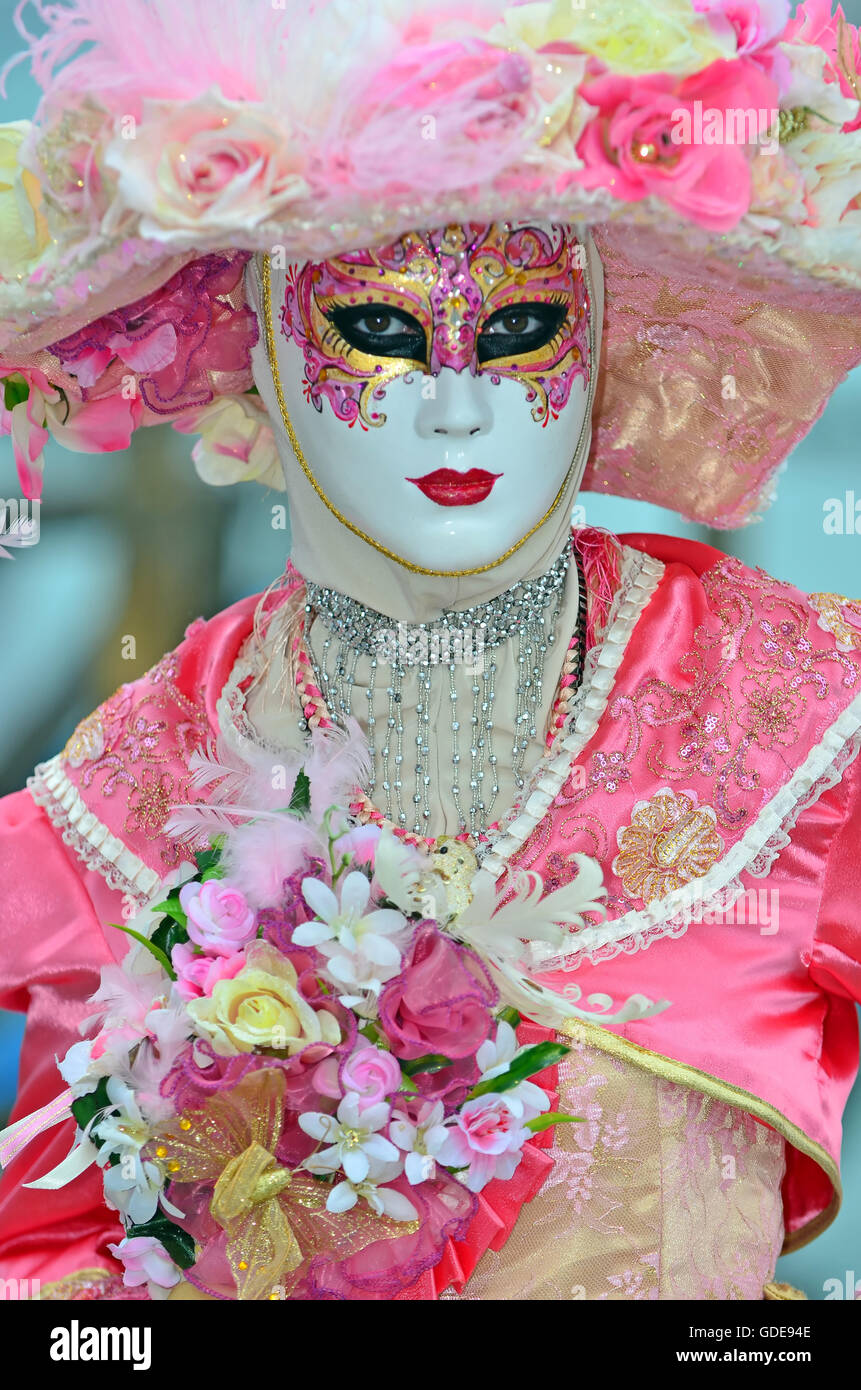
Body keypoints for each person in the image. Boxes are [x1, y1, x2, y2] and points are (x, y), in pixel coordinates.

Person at [0, 0, 860, 1301]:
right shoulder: (131, 792)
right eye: (382, 336)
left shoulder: (797, 714)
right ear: (263, 351)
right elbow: (56, 1279)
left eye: (517, 332)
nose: (458, 406)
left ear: (598, 339)